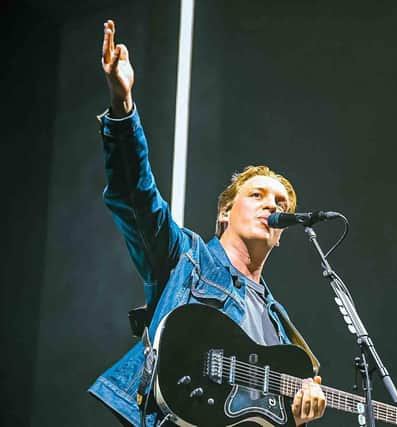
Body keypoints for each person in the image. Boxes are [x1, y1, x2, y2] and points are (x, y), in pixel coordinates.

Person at [89, 19, 327, 426]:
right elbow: (136, 195)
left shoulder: (282, 330)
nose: (270, 205)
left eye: (280, 202)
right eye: (256, 195)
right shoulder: (188, 259)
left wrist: (303, 407)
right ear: (224, 213)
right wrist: (122, 106)